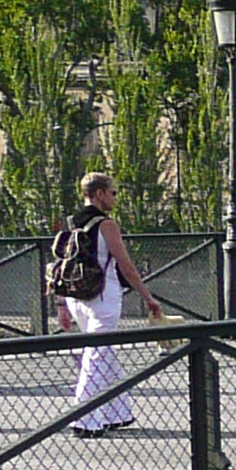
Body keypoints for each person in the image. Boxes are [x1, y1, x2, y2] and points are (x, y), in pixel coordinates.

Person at [61, 172, 166, 439]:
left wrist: (61, 303)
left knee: (101, 352)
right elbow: (125, 264)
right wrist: (148, 297)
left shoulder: (71, 222)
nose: (115, 198)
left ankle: (116, 413)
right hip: (103, 294)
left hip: (76, 295)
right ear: (99, 194)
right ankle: (84, 419)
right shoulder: (106, 224)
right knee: (96, 355)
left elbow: (60, 264)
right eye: (113, 193)